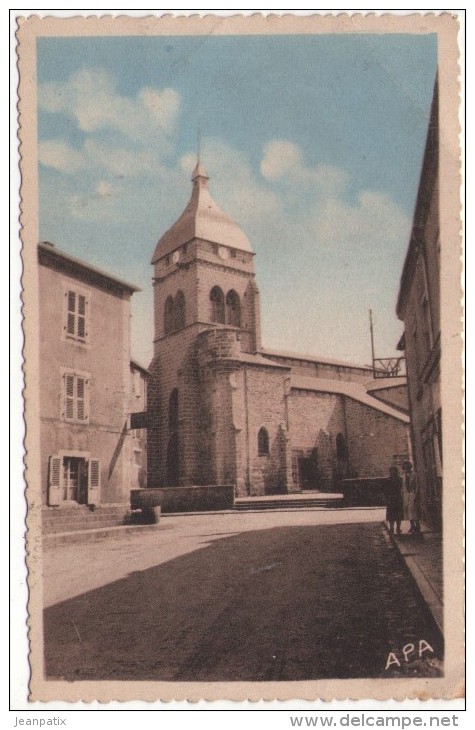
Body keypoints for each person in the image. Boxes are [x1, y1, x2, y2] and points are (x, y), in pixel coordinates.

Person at [402, 460, 421, 533]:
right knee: (408, 510)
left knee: (413, 510)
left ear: (410, 467)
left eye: (407, 467)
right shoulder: (404, 475)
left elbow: (417, 485)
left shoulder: (414, 474)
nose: (406, 469)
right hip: (406, 495)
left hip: (413, 493)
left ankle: (418, 526)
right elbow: (403, 486)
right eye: (405, 467)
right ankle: (412, 526)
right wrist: (402, 494)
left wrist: (416, 494)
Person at [386, 466, 403, 534]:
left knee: (398, 515)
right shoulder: (388, 480)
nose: (392, 473)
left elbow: (403, 489)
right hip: (390, 498)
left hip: (398, 498)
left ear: (396, 472)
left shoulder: (400, 480)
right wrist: (386, 498)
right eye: (391, 471)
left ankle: (398, 528)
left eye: (394, 471)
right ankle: (391, 528)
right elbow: (384, 490)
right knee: (391, 514)